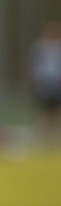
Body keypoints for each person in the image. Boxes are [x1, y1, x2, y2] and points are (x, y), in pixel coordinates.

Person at [30, 20, 61, 148]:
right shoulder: (40, 48)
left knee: (56, 112)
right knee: (45, 112)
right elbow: (34, 66)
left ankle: (56, 139)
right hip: (45, 83)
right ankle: (44, 140)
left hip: (58, 83)